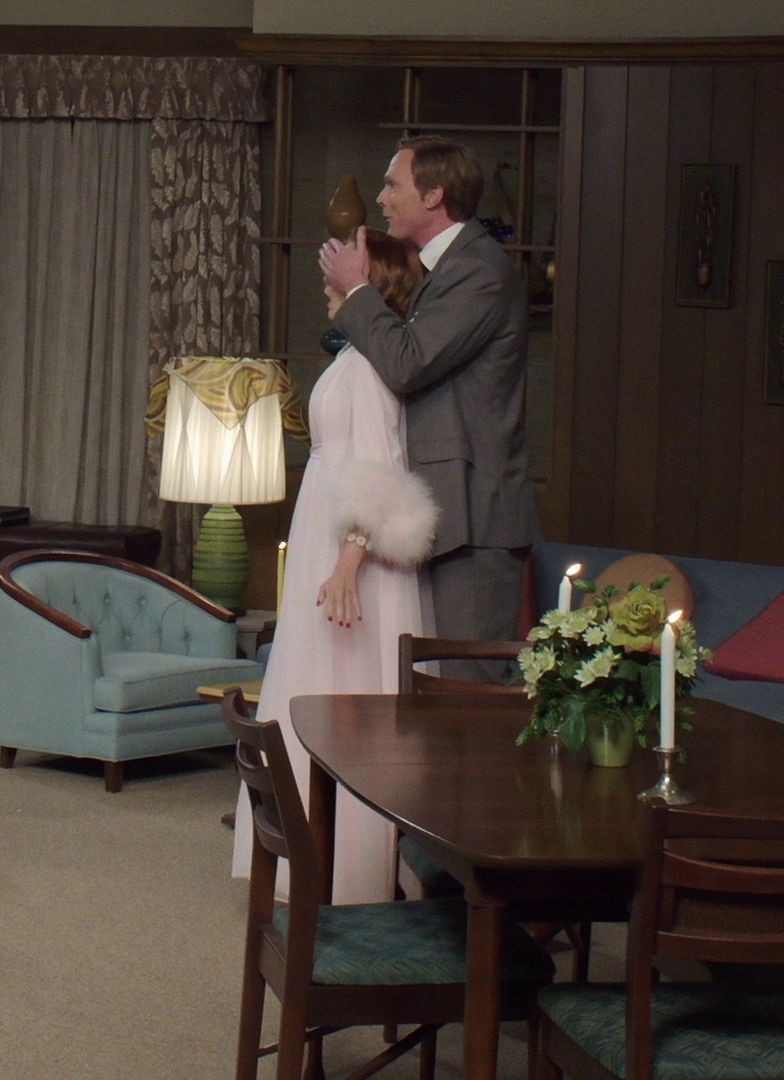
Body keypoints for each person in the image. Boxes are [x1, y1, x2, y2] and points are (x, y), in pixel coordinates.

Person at [231, 233, 439, 905]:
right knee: (317, 684)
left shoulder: (370, 366)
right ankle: (313, 857)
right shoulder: (354, 356)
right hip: (325, 532)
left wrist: (350, 560)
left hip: (352, 553)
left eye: (342, 273)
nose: (327, 283)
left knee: (346, 698)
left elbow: (380, 469)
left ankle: (351, 869)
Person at [319, 136, 541, 677]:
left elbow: (408, 361)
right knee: (429, 695)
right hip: (440, 516)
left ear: (434, 194)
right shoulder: (440, 270)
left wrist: (357, 291)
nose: (382, 198)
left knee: (465, 696)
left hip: (475, 520)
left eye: (393, 186)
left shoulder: (479, 271)